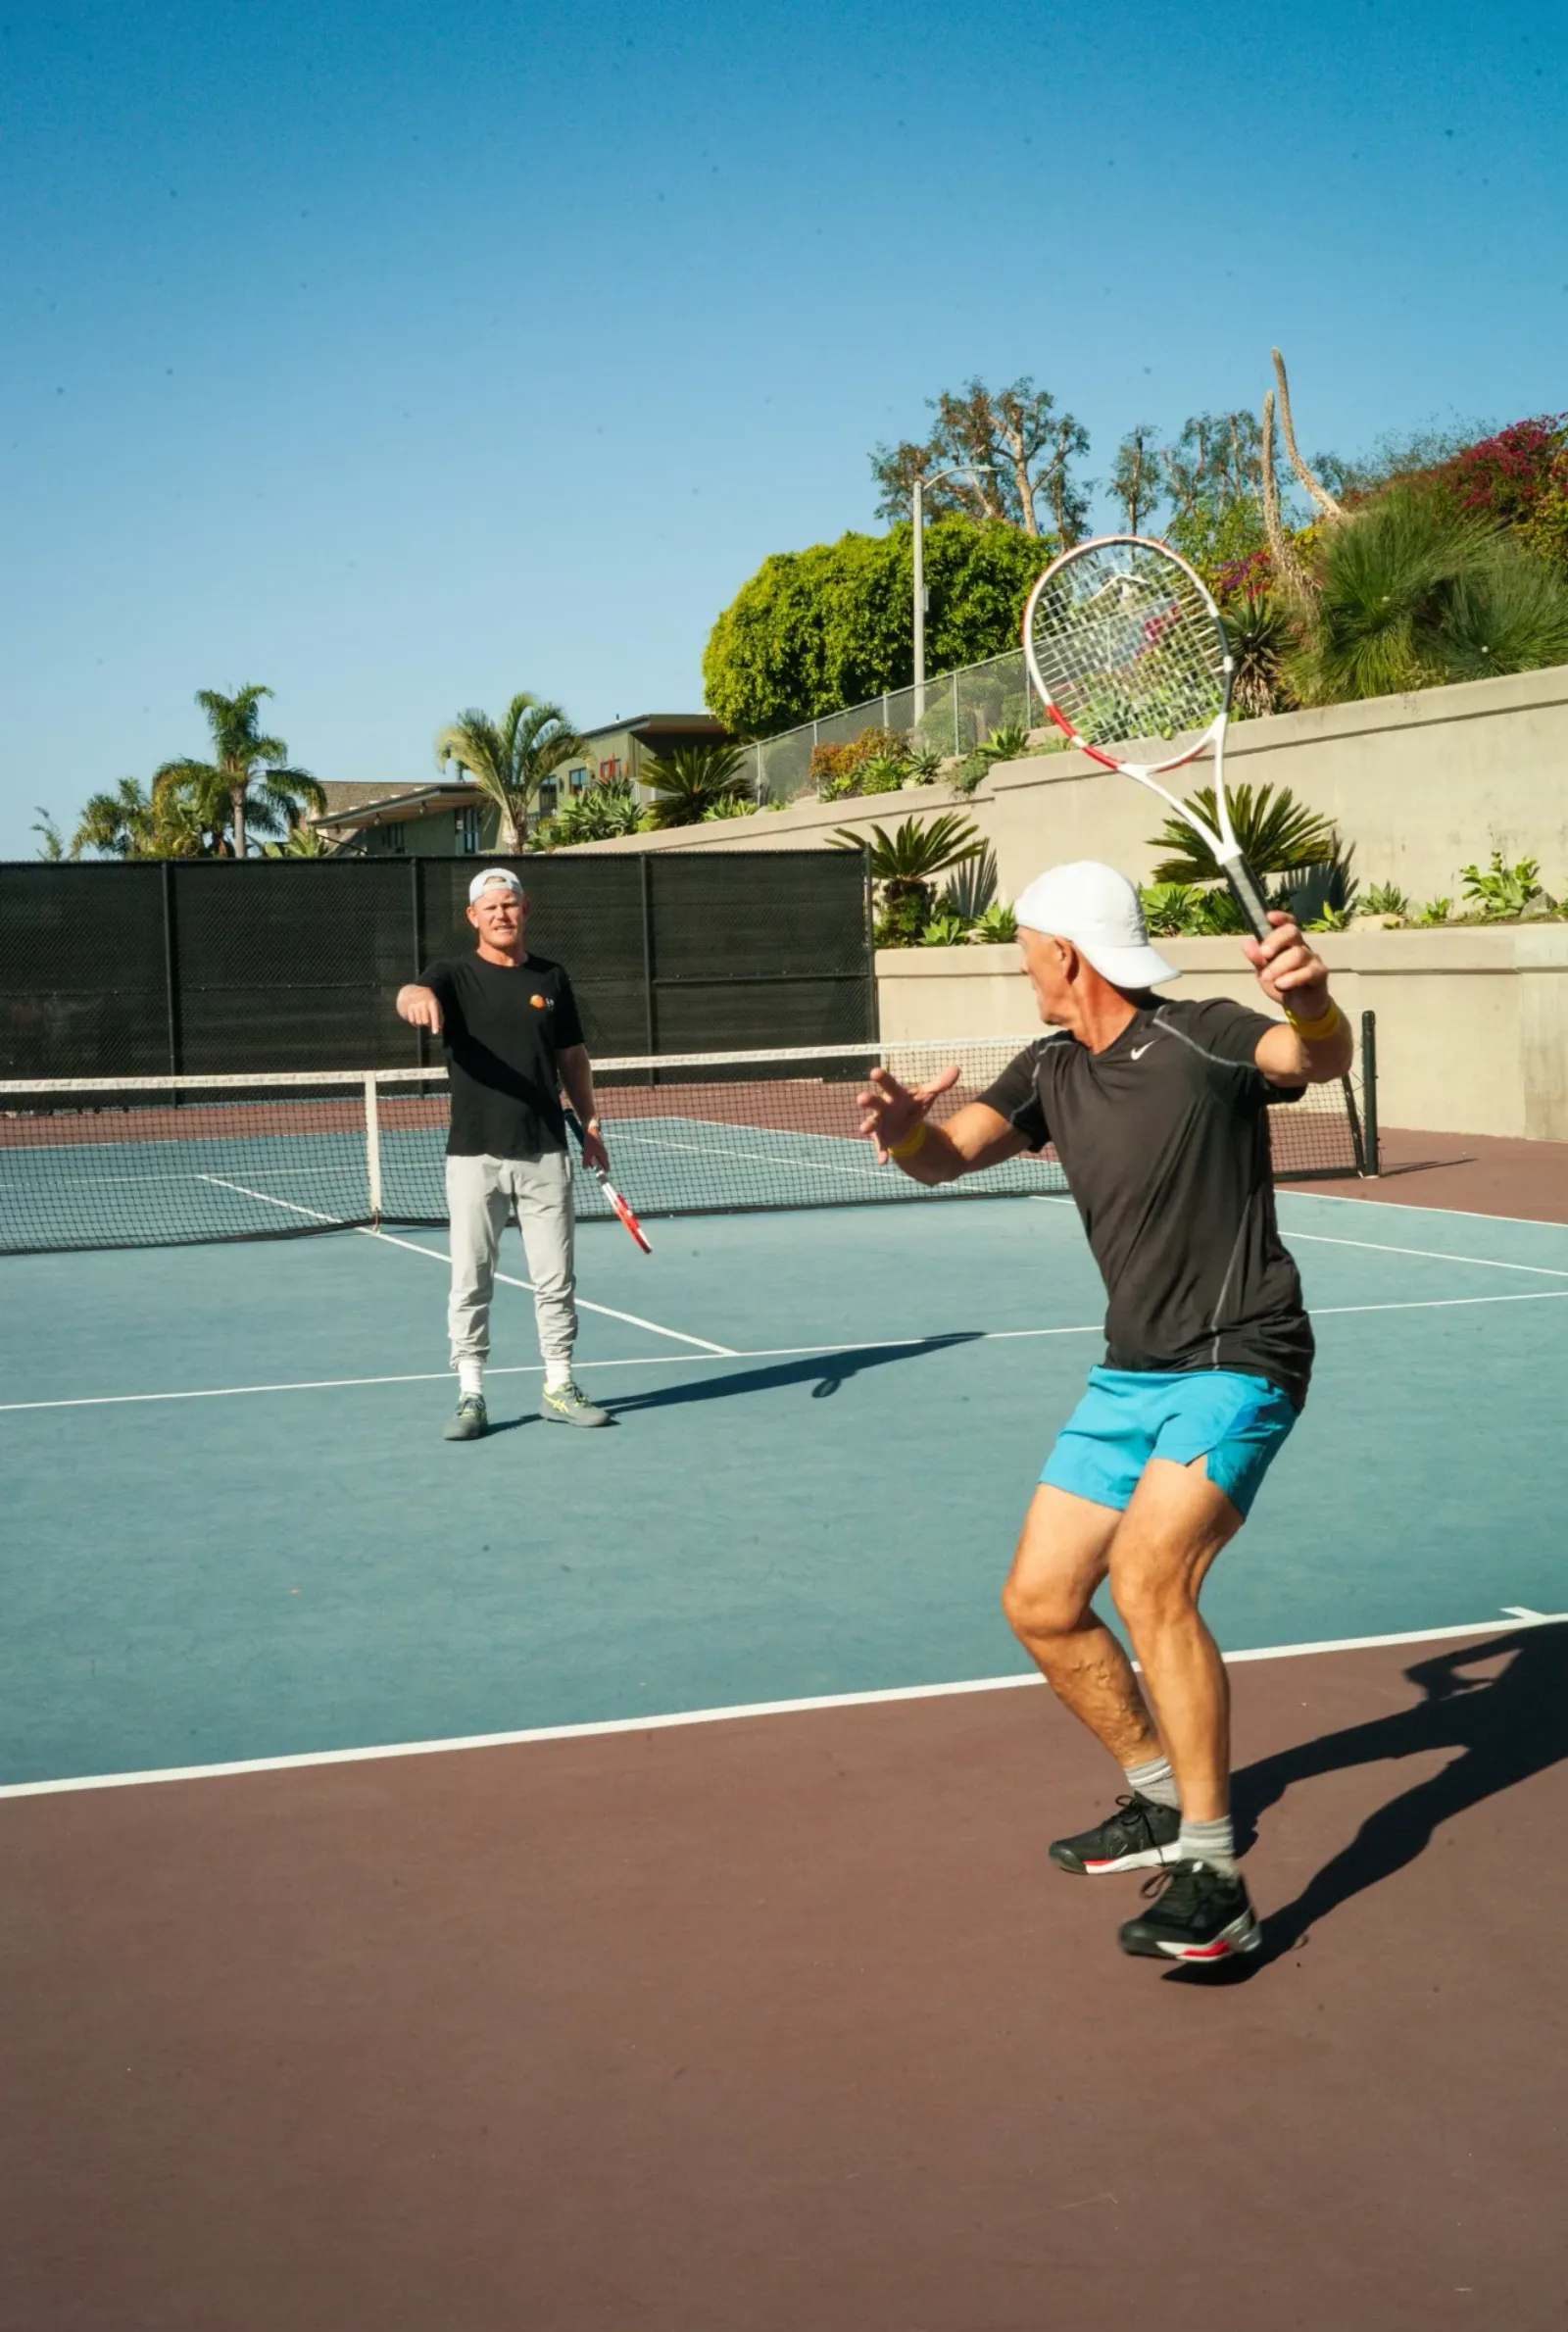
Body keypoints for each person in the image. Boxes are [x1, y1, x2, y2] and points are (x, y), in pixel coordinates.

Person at [857, 860, 1353, 1963]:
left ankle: (1214, 1872)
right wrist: (900, 1129)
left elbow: (1307, 1058)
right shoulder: (1047, 1067)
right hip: (1131, 1374)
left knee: (1147, 1577)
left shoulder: (1205, 1033)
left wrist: (1310, 1000)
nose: (1020, 963)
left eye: (1025, 945)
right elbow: (942, 1161)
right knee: (1038, 1601)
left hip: (1240, 1358)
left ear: (1063, 954)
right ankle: (1156, 1797)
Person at [395, 868, 612, 1440]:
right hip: (473, 1156)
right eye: (490, 907)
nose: (501, 914)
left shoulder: (552, 977)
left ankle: (559, 1385)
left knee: (555, 1278)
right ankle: (471, 1395)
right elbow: (412, 992)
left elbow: (573, 1058)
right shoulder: (451, 975)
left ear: (525, 908)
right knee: (471, 1278)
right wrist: (413, 996)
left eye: (510, 905)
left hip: (545, 1151)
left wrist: (589, 1124)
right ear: (473, 916)